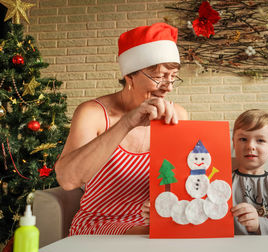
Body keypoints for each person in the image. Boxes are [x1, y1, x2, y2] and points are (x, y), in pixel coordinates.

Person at [55, 22, 188, 235]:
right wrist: (126, 123)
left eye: (172, 77)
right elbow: (68, 180)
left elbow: (182, 181)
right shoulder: (93, 113)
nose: (168, 87)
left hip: (153, 226)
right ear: (130, 76)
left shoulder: (177, 115)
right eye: (160, 76)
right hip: (99, 224)